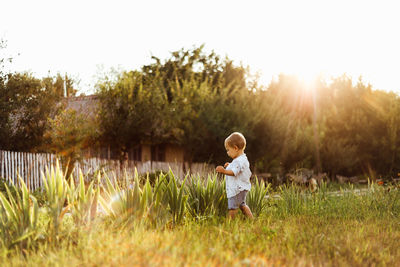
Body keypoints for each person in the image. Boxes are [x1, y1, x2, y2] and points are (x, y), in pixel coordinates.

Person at [216, 132, 254, 219]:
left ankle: (230, 224)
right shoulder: (240, 159)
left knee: (232, 207)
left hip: (237, 189)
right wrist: (229, 165)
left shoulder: (239, 161)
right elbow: (236, 168)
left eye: (228, 150)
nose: (227, 153)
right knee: (242, 205)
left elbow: (234, 172)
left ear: (235, 148)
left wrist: (224, 171)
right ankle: (251, 220)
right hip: (240, 188)